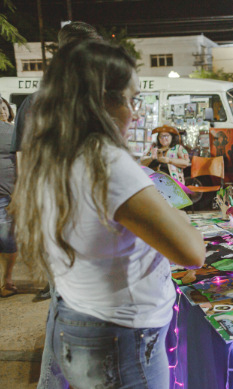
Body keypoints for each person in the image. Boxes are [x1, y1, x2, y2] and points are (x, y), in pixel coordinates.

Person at [12, 40, 206, 388]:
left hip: (79, 315)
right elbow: (192, 251)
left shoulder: (52, 151)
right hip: (122, 337)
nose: (134, 113)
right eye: (129, 100)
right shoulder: (106, 162)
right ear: (100, 99)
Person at [12, 22, 103, 304]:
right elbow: (24, 158)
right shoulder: (39, 103)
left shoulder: (94, 100)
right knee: (67, 293)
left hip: (90, 210)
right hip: (57, 207)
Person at [0, 102, 16, 297]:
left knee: (7, 240)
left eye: (4, 107)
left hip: (6, 196)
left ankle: (8, 280)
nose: (2, 111)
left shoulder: (14, 132)